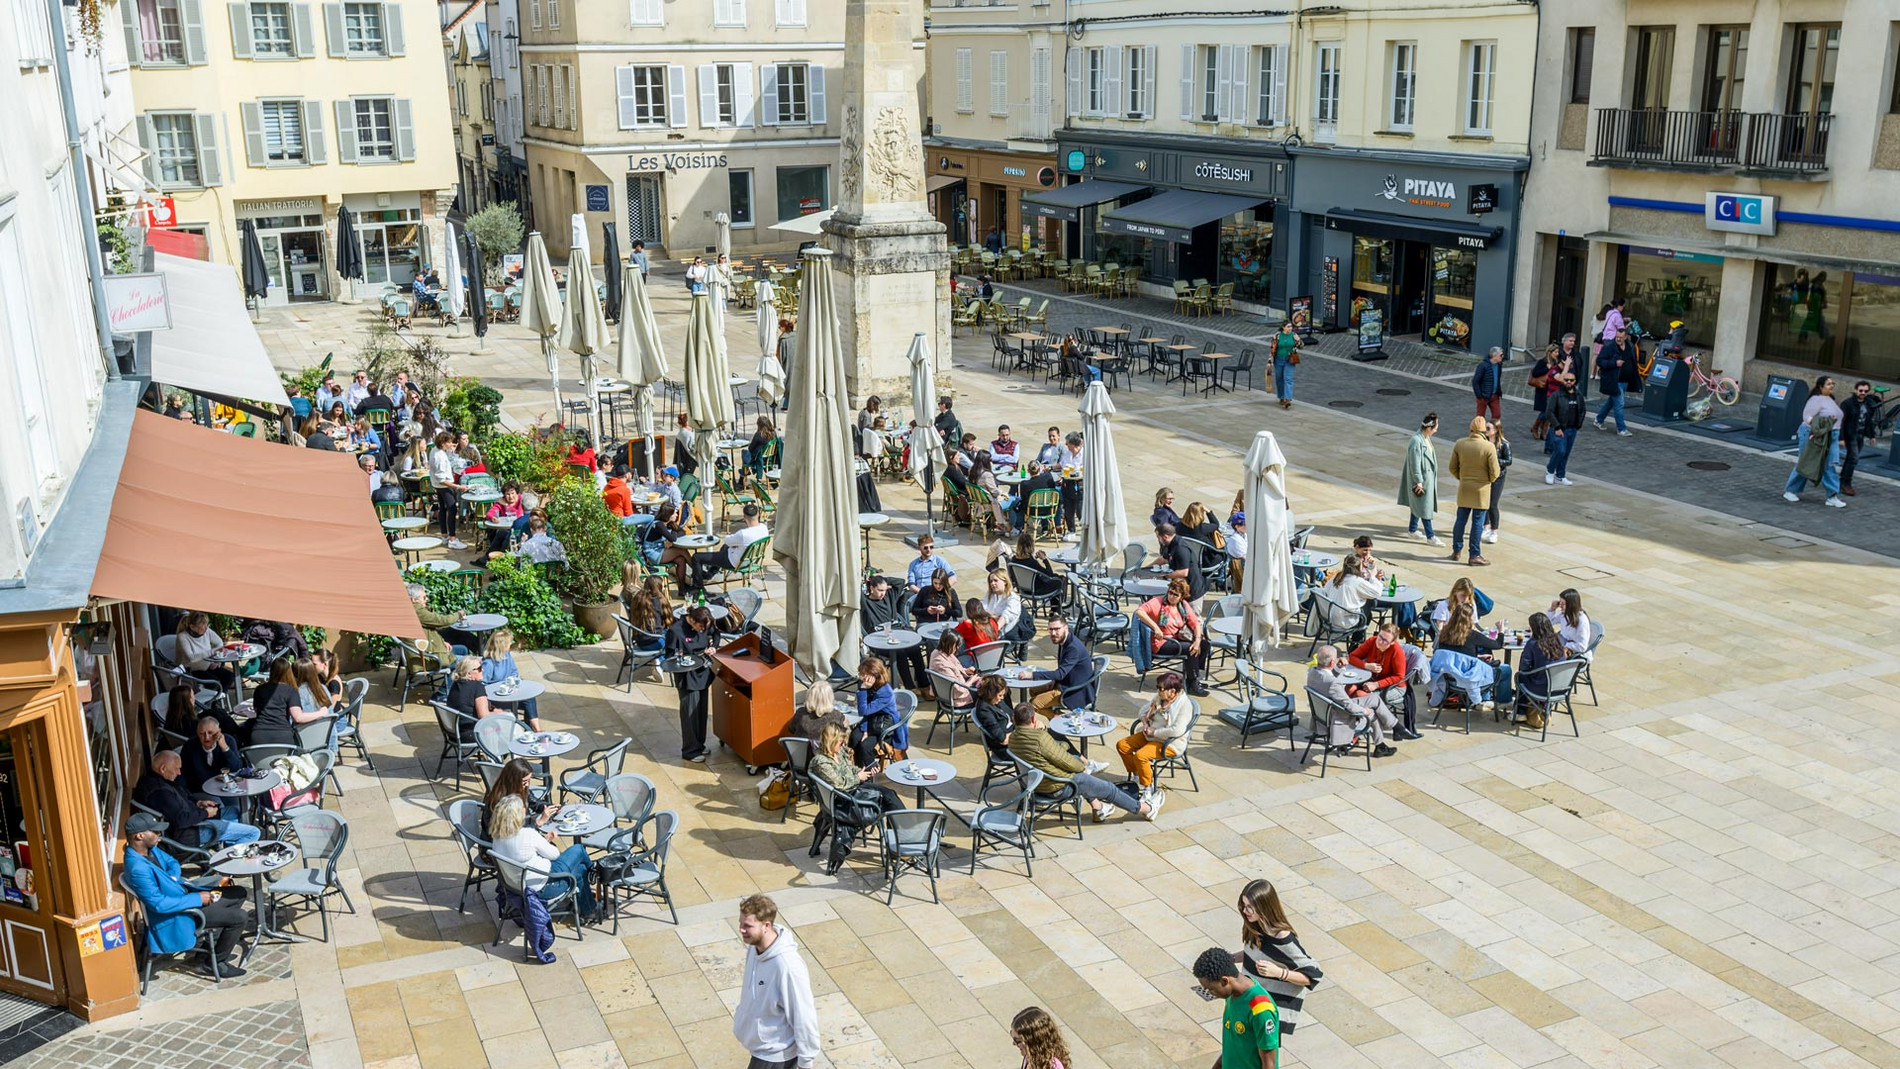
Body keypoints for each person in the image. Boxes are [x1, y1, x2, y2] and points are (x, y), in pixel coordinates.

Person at [121, 811, 255, 978]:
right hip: (179, 913)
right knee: (240, 917)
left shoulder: (150, 849)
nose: (159, 835)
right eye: (155, 832)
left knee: (238, 893)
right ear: (139, 836)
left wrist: (172, 877)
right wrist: (198, 899)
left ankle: (206, 951)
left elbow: (172, 862)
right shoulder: (137, 868)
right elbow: (159, 904)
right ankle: (215, 963)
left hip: (184, 895)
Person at [1008, 704, 1161, 822]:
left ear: (1015, 720)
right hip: (1055, 786)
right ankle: (1145, 808)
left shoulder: (1013, 738)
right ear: (1034, 719)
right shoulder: (1039, 738)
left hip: (1033, 782)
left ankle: (1099, 808)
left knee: (1085, 778)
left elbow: (1048, 755)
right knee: (1108, 789)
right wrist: (1083, 769)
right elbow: (1065, 761)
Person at [734, 894, 820, 1069]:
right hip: (761, 1048)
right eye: (740, 923)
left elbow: (804, 1015)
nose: (741, 929)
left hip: (774, 1057)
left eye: (747, 926)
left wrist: (805, 1062)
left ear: (766, 926)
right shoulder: (755, 947)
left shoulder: (787, 967)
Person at [488, 795, 599, 924]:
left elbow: (521, 852)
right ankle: (594, 872)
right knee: (578, 850)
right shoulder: (527, 834)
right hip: (543, 887)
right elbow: (555, 855)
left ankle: (590, 911)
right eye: (523, 808)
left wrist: (543, 841)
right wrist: (546, 842)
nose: (526, 810)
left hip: (515, 887)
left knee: (580, 869)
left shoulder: (497, 837)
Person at [1233, 880, 1321, 1039]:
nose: (1245, 911)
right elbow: (1252, 951)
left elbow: (1312, 975)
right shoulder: (1254, 926)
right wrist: (1231, 958)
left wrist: (1279, 973)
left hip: (1267, 1011)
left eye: (1250, 907)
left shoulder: (1282, 937)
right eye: (1243, 905)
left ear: (1264, 907)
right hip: (1249, 1001)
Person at [136, 747, 263, 847]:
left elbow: (181, 800)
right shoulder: (160, 792)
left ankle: (231, 845)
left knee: (235, 811)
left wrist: (199, 803)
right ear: (163, 768)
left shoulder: (158, 780)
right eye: (176, 769)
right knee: (253, 832)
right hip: (191, 832)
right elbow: (181, 820)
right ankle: (231, 863)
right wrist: (206, 813)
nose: (179, 773)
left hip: (194, 818)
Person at [1194, 947, 1282, 1066]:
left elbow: (1269, 1062)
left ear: (1225, 981)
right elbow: (1234, 1043)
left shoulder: (1261, 1009)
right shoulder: (1231, 995)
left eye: (1212, 989)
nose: (1210, 993)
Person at [1306, 645, 1396, 757]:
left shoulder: (1312, 672)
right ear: (1331, 662)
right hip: (1336, 718)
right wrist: (1364, 711)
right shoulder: (1333, 684)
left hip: (1322, 715)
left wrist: (1337, 668)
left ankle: (1389, 734)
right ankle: (1388, 734)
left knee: (1374, 699)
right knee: (1371, 712)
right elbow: (1349, 706)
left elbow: (1326, 678)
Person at [1117, 672, 1193, 797]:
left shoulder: (1184, 705)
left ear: (1172, 691)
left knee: (1141, 756)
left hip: (1170, 742)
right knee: (1122, 745)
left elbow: (1176, 730)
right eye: (1157, 687)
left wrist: (1155, 732)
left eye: (1161, 688)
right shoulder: (1159, 698)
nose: (1158, 691)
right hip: (1150, 734)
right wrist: (1145, 723)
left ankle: (1148, 786)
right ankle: (1138, 775)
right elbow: (1142, 711)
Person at [808, 721, 900, 818]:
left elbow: (849, 767)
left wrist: (862, 771)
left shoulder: (838, 752)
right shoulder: (821, 762)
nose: (843, 745)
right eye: (841, 743)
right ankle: (905, 829)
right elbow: (839, 784)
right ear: (831, 742)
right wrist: (858, 777)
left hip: (853, 789)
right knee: (888, 800)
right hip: (844, 799)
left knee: (890, 795)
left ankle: (900, 829)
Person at [1135, 580, 1209, 696]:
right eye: (1170, 592)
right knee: (1191, 649)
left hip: (1177, 638)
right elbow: (1139, 612)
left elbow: (1195, 624)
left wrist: (1198, 640)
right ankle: (1192, 683)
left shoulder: (1183, 605)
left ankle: (1193, 677)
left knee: (1204, 645)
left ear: (1181, 597)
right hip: (1161, 642)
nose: (1171, 596)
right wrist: (1155, 627)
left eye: (1176, 595)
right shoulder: (1158, 602)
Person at [1783, 374, 1847, 508]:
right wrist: (1819, 428)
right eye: (1829, 384)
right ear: (1821, 386)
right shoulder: (1816, 399)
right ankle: (1791, 490)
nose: (1832, 386)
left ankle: (1832, 496)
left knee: (1828, 464)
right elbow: (1807, 417)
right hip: (1815, 435)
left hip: (1831, 436)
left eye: (1832, 383)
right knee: (1806, 462)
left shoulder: (1829, 399)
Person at [1447, 416, 1499, 567]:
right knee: (1478, 522)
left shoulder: (1460, 444)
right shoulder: (1488, 447)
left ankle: (1456, 550)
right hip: (1481, 490)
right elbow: (1495, 472)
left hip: (1465, 487)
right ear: (1483, 431)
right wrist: (1487, 481)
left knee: (1460, 520)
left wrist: (1463, 478)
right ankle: (1474, 555)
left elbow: (1452, 467)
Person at [247, 656, 330, 747]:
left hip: (259, 735)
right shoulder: (291, 691)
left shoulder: (259, 689)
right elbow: (298, 717)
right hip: (282, 736)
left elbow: (256, 709)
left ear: (271, 671)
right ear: (288, 672)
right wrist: (321, 713)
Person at [667, 606, 715, 762]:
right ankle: (690, 750)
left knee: (701, 712)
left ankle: (699, 744)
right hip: (687, 677)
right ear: (692, 620)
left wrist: (712, 647)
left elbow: (715, 633)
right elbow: (669, 657)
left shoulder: (704, 628)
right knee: (690, 714)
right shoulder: (676, 631)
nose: (702, 630)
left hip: (703, 674)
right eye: (700, 626)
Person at [1347, 624, 1411, 737]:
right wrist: (1366, 665)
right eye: (1380, 637)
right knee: (1349, 689)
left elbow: (1399, 676)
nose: (1380, 641)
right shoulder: (1372, 641)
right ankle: (1350, 725)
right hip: (1371, 681)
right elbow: (1352, 657)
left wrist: (1376, 684)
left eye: (1385, 640)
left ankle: (1356, 731)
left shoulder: (1396, 651)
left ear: (1392, 642)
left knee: (1360, 695)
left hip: (1394, 687)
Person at [1436, 605, 1508, 704]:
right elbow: (1497, 644)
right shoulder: (1472, 635)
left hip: (1450, 679)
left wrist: (1477, 658)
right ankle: (1503, 702)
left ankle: (1485, 698)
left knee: (1483, 663)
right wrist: (1501, 631)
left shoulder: (1444, 633)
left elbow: (1455, 655)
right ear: (1469, 619)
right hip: (1469, 678)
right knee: (1506, 670)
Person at [688, 503, 768, 588]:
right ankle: (710, 573)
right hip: (751, 561)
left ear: (744, 517)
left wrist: (733, 537)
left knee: (696, 557)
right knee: (725, 548)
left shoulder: (743, 534)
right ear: (758, 514)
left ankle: (698, 588)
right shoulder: (764, 528)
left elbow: (727, 540)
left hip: (734, 562)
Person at [1026, 618, 1093, 715]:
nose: (1053, 633)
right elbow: (1064, 669)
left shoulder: (1073, 648)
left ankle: (1058, 719)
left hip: (1074, 691)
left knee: (1034, 704)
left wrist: (1032, 675)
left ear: (1066, 628)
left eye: (1057, 629)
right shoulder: (1065, 641)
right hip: (1065, 682)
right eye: (1051, 629)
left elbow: (1060, 673)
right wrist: (1054, 680)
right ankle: (1055, 712)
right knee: (1033, 689)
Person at [1513, 613, 1566, 731]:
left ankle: (1520, 711)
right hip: (1561, 687)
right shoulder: (1559, 639)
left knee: (1520, 677)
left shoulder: (1533, 644)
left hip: (1541, 688)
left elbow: (1524, 668)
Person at [481, 757, 555, 839]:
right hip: (501, 845)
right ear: (513, 780)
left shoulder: (519, 789)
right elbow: (513, 836)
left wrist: (549, 807)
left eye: (529, 781)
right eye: (524, 782)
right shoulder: (502, 803)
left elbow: (533, 801)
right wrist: (539, 822)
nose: (527, 785)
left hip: (520, 836)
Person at [481, 629, 541, 730]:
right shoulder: (489, 663)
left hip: (510, 692)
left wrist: (513, 682)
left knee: (529, 698)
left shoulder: (507, 655)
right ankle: (525, 730)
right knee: (521, 704)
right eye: (509, 642)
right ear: (502, 645)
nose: (510, 644)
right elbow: (482, 685)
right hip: (496, 698)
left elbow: (514, 671)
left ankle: (533, 729)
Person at [1398, 414, 1441, 545]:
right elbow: (1415, 463)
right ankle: (1431, 536)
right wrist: (1419, 481)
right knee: (1424, 506)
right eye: (1435, 428)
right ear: (1429, 428)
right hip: (1421, 480)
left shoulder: (1424, 438)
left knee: (1418, 504)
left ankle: (1412, 529)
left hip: (1426, 478)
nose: (1436, 430)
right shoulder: (1416, 441)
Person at [444, 655, 507, 741]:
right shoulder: (477, 687)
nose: (483, 670)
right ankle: (505, 752)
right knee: (508, 722)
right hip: (472, 733)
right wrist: (500, 713)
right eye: (480, 668)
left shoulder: (455, 684)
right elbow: (484, 716)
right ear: (469, 674)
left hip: (454, 732)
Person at [427, 431, 471, 549]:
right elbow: (442, 479)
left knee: (442, 509)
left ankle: (444, 535)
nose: (451, 443)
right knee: (452, 509)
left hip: (437, 485)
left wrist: (450, 448)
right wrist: (458, 487)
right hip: (444, 486)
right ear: (443, 443)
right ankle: (452, 538)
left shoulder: (434, 450)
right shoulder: (440, 457)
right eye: (449, 442)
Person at [171, 612, 236, 691]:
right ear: (192, 627)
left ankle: (218, 699)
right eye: (203, 625)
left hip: (206, 666)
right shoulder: (183, 637)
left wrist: (216, 662)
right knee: (214, 683)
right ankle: (212, 701)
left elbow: (219, 643)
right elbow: (192, 658)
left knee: (229, 676)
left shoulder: (206, 631)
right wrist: (213, 651)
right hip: (190, 671)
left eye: (206, 624)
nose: (206, 628)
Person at [1152, 523, 1208, 615]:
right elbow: (1163, 559)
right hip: (1181, 589)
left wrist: (1165, 576)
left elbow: (1183, 572)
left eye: (1158, 537)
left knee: (1194, 621)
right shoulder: (1171, 544)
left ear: (1165, 537)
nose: (1158, 540)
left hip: (1192, 591)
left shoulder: (1180, 548)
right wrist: (1145, 569)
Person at [1593, 327, 1635, 436]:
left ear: (1626, 337)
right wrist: (1614, 363)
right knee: (1619, 404)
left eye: (1621, 337)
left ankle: (1598, 419)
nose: (1618, 339)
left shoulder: (1630, 346)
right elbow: (1600, 361)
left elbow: (1632, 360)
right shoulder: (1609, 347)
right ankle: (1621, 429)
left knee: (1612, 401)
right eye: (1617, 337)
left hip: (1625, 380)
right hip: (1614, 380)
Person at [1839, 380, 1877, 498]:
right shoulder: (1847, 403)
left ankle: (1843, 480)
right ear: (1856, 390)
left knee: (1851, 458)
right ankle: (1846, 483)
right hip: (1850, 435)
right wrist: (1841, 438)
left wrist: (1872, 435)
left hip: (1860, 434)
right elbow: (1842, 421)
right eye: (1861, 390)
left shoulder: (1868, 403)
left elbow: (1869, 421)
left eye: (1866, 391)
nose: (1863, 393)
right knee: (1854, 458)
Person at [1544, 373, 1584, 485]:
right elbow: (1549, 412)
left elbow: (1582, 410)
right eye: (1566, 380)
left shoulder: (1578, 395)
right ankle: (1550, 470)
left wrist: (1578, 424)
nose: (1569, 382)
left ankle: (1560, 475)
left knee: (1566, 453)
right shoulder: (1556, 395)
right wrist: (1557, 427)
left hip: (1572, 429)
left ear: (1575, 381)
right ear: (1563, 381)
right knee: (1560, 451)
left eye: (1571, 380)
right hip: (1559, 428)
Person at [929, 631, 981, 706]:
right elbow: (959, 689)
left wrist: (965, 670)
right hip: (956, 698)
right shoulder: (941, 664)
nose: (958, 648)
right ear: (949, 645)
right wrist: (972, 679)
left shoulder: (939, 652)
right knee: (988, 694)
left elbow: (952, 670)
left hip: (954, 690)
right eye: (956, 646)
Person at [972, 675, 1014, 760]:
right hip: (1006, 749)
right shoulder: (984, 710)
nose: (1002, 698)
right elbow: (1003, 740)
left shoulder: (995, 700)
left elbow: (1012, 715)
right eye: (1000, 695)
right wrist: (1023, 733)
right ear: (991, 694)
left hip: (1015, 736)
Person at [1483, 419, 1510, 545]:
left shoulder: (1504, 444)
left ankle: (1494, 531)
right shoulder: (1484, 441)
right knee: (1484, 503)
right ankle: (1485, 526)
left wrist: (1495, 461)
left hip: (1498, 477)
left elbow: (1508, 460)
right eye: (1485, 428)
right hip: (1485, 476)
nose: (1485, 430)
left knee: (1492, 504)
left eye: (1488, 428)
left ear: (1495, 430)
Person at [1548, 588, 1593, 658]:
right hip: (1562, 646)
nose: (1560, 606)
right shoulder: (1564, 615)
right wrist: (1552, 609)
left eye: (1563, 604)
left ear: (1571, 605)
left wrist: (1564, 644)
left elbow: (1582, 646)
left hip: (1575, 654)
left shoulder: (1582, 620)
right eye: (1560, 603)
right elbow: (1549, 622)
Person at [983, 569, 1024, 644]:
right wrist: (994, 617)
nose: (992, 583)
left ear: (1005, 581)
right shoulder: (990, 594)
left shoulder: (1012, 598)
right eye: (991, 581)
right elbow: (983, 611)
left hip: (1003, 635)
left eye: (996, 580)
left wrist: (994, 631)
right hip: (987, 627)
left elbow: (1005, 617)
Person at [1527, 343, 1558, 440]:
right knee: (1545, 411)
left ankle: (1544, 431)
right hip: (1543, 389)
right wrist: (1546, 368)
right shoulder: (1543, 362)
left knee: (1550, 410)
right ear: (1550, 352)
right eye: (1555, 352)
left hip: (1553, 389)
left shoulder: (1556, 362)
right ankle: (1535, 427)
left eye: (1557, 352)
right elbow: (1535, 373)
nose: (1557, 354)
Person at [1471, 346, 1506, 422]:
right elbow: (1475, 381)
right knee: (1480, 417)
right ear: (1494, 355)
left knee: (1497, 414)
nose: (1502, 357)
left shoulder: (1499, 365)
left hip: (1494, 395)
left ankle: (1492, 430)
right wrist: (1479, 396)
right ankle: (1478, 432)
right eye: (1501, 355)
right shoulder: (1483, 365)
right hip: (1484, 396)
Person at [1270, 320, 1299, 409]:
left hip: (1289, 359)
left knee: (1288, 379)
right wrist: (1269, 362)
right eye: (1288, 327)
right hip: (1278, 359)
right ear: (1283, 327)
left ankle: (1288, 399)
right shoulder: (1277, 336)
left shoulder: (1294, 335)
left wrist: (1298, 340)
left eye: (1291, 327)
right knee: (1279, 378)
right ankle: (1281, 397)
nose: (1290, 328)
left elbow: (1301, 346)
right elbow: (1272, 349)